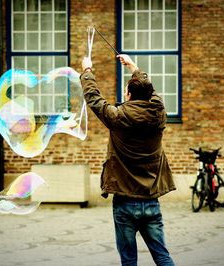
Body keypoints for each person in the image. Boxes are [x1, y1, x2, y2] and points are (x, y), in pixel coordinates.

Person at [80, 54, 176, 266]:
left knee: (129, 260)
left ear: (129, 94)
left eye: (127, 90)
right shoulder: (159, 112)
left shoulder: (117, 116)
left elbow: (94, 99)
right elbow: (151, 91)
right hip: (150, 199)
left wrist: (87, 72)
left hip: (125, 202)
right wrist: (133, 66)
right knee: (162, 256)